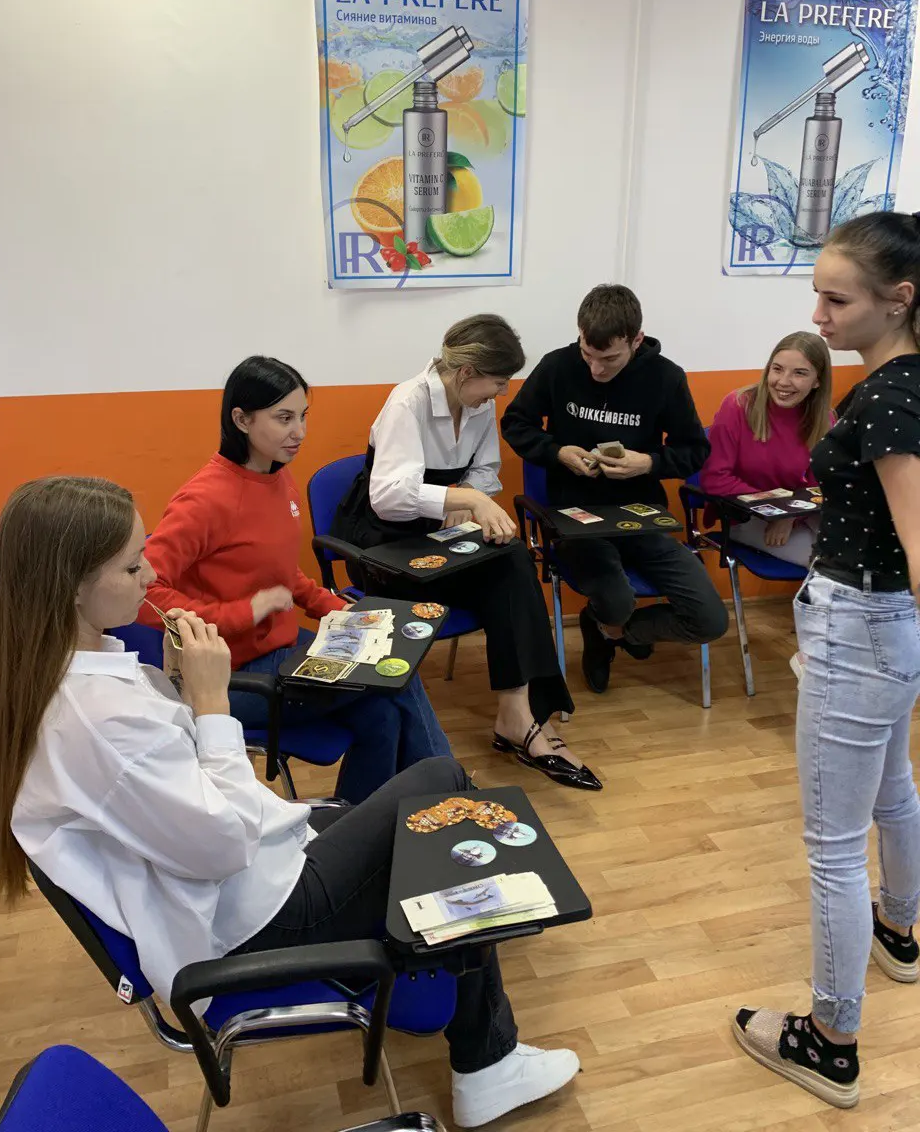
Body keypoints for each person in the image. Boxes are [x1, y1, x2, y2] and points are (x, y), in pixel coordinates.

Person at [0, 476, 581, 1129]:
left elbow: (175, 788)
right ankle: (487, 1060)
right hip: (258, 913)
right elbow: (221, 843)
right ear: (71, 586)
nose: (151, 574)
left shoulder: (77, 673)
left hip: (251, 875)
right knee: (441, 785)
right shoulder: (101, 721)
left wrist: (179, 686)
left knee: (430, 819)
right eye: (132, 566)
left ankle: (460, 985)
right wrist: (211, 706)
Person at [732, 211, 920, 1109]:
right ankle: (901, 931)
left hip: (863, 627)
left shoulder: (886, 401)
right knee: (894, 789)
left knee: (834, 848)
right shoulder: (902, 384)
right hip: (883, 627)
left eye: (837, 300)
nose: (819, 314)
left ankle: (831, 1041)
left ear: (900, 299)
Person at [143, 357, 451, 806]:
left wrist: (336, 608)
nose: (299, 432)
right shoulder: (204, 500)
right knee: (396, 673)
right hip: (230, 679)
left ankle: (362, 827)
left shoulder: (277, 476)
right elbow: (145, 594)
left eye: (303, 416)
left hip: (283, 654)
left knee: (382, 712)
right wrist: (241, 613)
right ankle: (449, 798)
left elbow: (282, 575)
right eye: (284, 418)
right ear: (242, 420)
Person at [332, 314, 601, 792]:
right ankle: (523, 722)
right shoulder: (407, 402)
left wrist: (465, 500)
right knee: (502, 570)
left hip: (437, 534)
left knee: (511, 558)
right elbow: (389, 497)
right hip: (383, 544)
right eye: (497, 382)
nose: (501, 392)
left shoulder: (476, 407)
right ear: (466, 373)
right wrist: (464, 500)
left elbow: (485, 470)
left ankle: (518, 713)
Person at [501, 284, 729, 694]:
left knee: (711, 620)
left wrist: (649, 463)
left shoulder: (666, 377)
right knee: (618, 599)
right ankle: (610, 622)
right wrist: (557, 452)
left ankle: (611, 632)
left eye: (609, 359)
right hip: (576, 520)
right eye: (587, 354)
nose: (595, 369)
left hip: (642, 518)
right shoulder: (557, 366)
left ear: (637, 340)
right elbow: (516, 423)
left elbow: (694, 451)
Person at [700, 331, 833, 568]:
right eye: (777, 369)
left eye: (800, 373)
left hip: (798, 513)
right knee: (828, 563)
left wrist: (790, 515)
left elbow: (818, 488)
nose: (783, 381)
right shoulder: (738, 405)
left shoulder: (825, 419)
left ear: (818, 381)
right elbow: (715, 479)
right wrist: (779, 511)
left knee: (862, 553)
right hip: (746, 514)